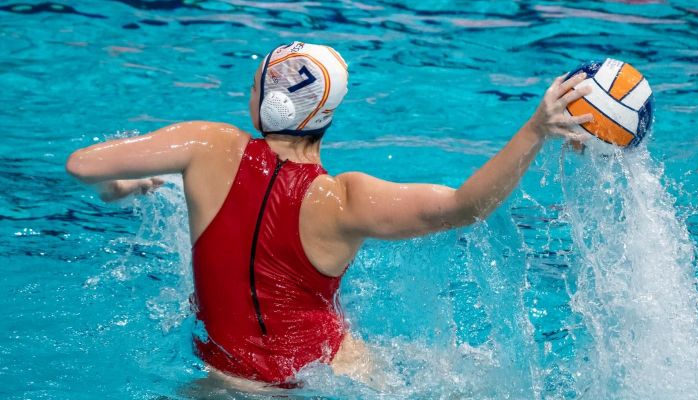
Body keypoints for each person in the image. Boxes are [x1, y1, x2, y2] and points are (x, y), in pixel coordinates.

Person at [66, 41, 592, 388]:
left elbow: (83, 164)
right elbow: (465, 206)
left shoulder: (207, 146)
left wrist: (132, 179)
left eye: (254, 86)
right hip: (331, 372)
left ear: (268, 106)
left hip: (223, 381)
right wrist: (535, 128)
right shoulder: (344, 200)